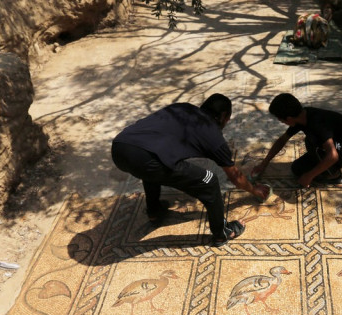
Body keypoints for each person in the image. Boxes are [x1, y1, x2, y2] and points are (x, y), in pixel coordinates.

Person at [111, 94, 269, 246]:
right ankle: (222, 233)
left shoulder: (182, 108)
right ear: (223, 116)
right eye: (227, 119)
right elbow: (236, 178)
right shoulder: (214, 136)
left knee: (155, 161)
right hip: (145, 159)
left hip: (120, 146)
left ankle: (154, 211)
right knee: (210, 181)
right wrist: (254, 190)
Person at [251, 93, 342, 188]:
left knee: (314, 142)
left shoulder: (318, 124)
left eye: (280, 119)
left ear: (288, 118)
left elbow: (333, 155)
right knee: (297, 169)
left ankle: (334, 175)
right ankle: (326, 165)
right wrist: (264, 164)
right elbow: (282, 140)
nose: (281, 122)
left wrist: (309, 176)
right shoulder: (301, 117)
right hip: (336, 144)